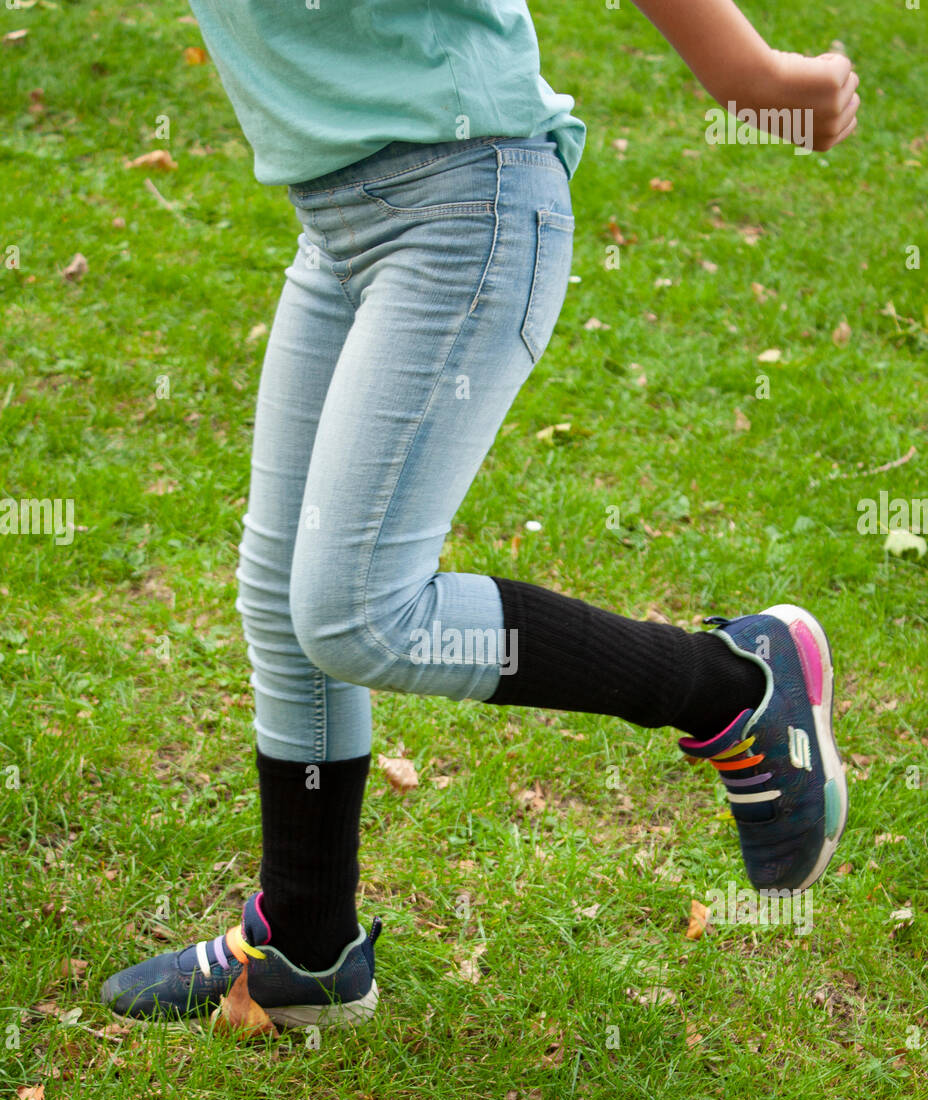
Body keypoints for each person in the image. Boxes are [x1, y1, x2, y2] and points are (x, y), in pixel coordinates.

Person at [102, 0, 857, 1028]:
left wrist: (753, 75)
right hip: (340, 221)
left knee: (355, 612)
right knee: (286, 606)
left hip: (463, 201)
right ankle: (306, 949)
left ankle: (732, 687)